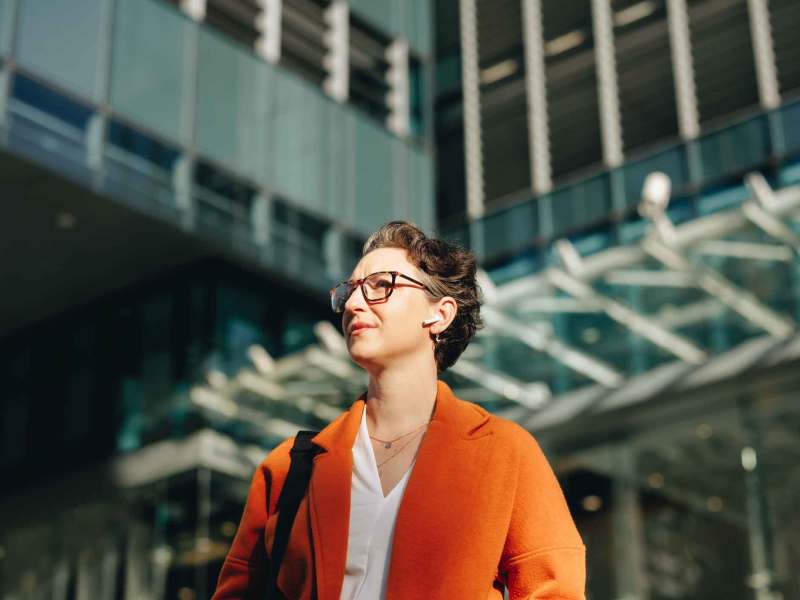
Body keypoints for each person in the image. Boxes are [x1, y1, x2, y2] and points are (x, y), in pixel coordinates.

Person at [213, 221, 585, 599]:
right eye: (350, 291)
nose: (354, 304)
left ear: (439, 314)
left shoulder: (505, 452)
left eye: (381, 285)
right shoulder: (289, 467)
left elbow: (556, 590)